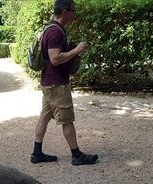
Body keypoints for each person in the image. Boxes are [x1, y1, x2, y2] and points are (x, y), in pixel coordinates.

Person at [30, 0, 98, 166]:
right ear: (65, 11)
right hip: (57, 85)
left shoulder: (51, 29)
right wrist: (76, 50)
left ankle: (37, 153)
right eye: (73, 11)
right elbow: (55, 58)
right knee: (67, 120)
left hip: (49, 83)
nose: (74, 14)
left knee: (44, 117)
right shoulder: (55, 32)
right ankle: (76, 155)